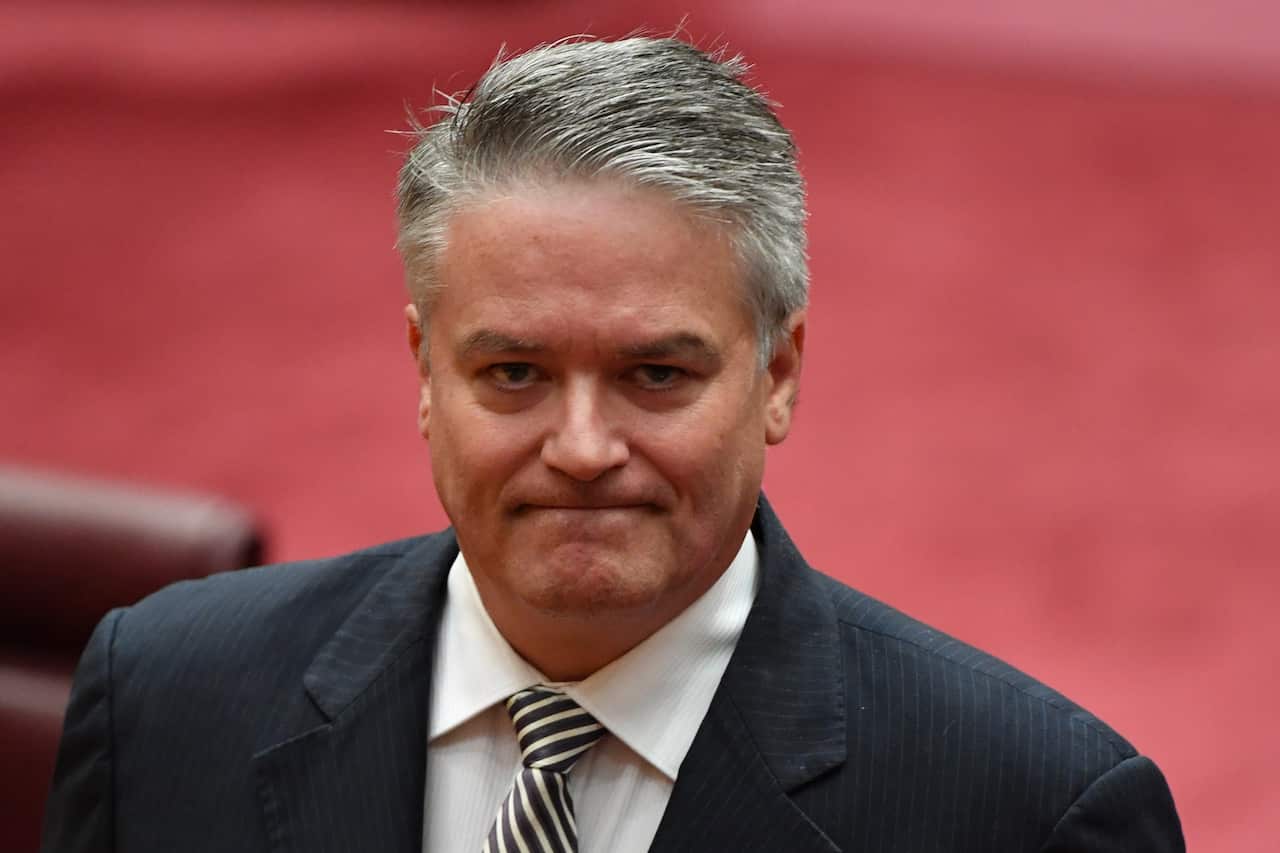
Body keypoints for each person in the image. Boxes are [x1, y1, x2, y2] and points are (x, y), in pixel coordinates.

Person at [42, 36, 1184, 853]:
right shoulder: (160, 699)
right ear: (424, 373)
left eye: (654, 374)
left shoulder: (1030, 810)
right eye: (515, 374)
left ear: (775, 374)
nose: (583, 447)